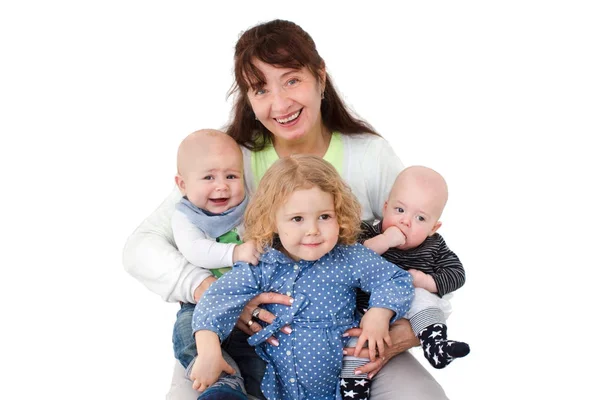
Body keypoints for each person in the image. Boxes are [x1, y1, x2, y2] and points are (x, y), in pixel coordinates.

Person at [123, 18, 450, 399]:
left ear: (320, 78)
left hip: (347, 339)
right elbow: (140, 246)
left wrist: (406, 330)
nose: (279, 103)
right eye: (260, 89)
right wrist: (215, 290)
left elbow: (424, 244)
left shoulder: (368, 155)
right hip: (242, 341)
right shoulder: (231, 163)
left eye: (292, 80)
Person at [191, 155, 414, 400]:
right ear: (273, 220)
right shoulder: (264, 263)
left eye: (325, 216)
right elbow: (216, 299)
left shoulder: (349, 257)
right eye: (297, 219)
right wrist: (209, 350)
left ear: (339, 214)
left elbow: (395, 279)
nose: (313, 230)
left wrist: (379, 314)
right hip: (272, 387)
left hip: (342, 387)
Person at [171, 129, 261, 399]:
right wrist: (235, 253)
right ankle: (225, 384)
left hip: (249, 300)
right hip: (201, 302)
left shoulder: (249, 207)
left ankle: (260, 386)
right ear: (183, 184)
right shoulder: (185, 216)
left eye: (231, 176)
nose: (222, 186)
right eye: (209, 177)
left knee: (259, 345)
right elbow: (195, 251)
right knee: (187, 334)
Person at [359, 165, 470, 369]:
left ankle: (435, 346)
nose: (405, 221)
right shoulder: (367, 233)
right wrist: (383, 241)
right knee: (355, 358)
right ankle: (354, 385)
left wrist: (426, 281)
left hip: (409, 316)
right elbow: (350, 260)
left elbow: (457, 274)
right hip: (364, 312)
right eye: (399, 210)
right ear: (385, 208)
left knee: (423, 297)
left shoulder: (434, 246)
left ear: (432, 228)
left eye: (420, 218)